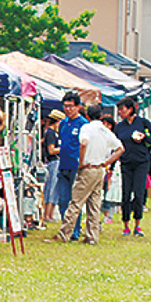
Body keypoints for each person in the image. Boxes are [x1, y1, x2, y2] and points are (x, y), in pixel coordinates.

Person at [51, 104, 123, 245]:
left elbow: (83, 143)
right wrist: (106, 162)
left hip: (88, 168)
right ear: (101, 116)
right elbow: (120, 148)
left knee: (76, 202)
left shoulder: (87, 128)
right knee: (94, 205)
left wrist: (81, 162)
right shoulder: (105, 130)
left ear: (88, 116)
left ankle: (64, 233)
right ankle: (92, 236)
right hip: (99, 169)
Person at [114, 96, 151, 236]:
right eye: (119, 110)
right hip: (126, 163)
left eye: (122, 109)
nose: (120, 112)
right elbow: (116, 145)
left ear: (130, 109)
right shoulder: (120, 127)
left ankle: (137, 224)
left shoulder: (143, 123)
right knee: (126, 194)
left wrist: (144, 137)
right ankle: (125, 224)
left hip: (141, 162)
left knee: (138, 194)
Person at [55, 92, 86, 237]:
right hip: (63, 165)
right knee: (63, 200)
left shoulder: (83, 124)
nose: (68, 109)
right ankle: (66, 227)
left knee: (75, 201)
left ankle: (75, 229)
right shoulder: (63, 123)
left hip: (76, 166)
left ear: (78, 107)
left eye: (70, 106)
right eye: (65, 106)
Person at [41, 109, 63, 222]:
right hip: (53, 162)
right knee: (52, 188)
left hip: (56, 162)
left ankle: (49, 214)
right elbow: (51, 150)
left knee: (54, 188)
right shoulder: (50, 133)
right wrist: (63, 149)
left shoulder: (53, 133)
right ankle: (47, 215)